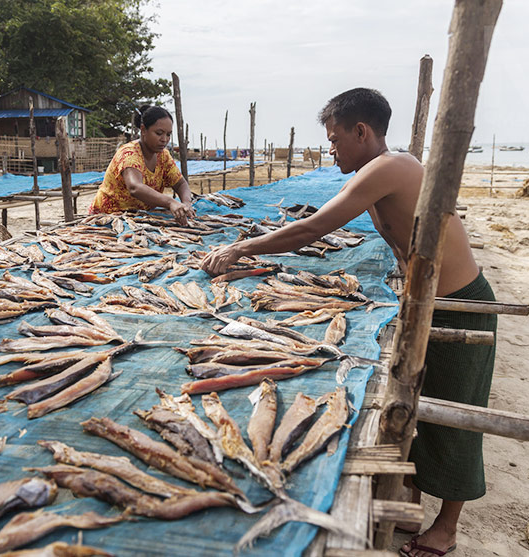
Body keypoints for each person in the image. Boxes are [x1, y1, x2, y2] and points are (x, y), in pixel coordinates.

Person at [201, 88, 496, 557]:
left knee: (457, 413)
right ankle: (414, 492)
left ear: (362, 132)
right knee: (419, 401)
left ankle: (448, 527)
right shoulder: (376, 169)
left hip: (459, 300)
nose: (330, 149)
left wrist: (241, 248)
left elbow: (313, 228)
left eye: (335, 139)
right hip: (424, 301)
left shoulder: (391, 167)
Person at [89, 105, 195, 225]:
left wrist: (186, 203)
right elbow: (135, 187)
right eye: (159, 133)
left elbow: (180, 183)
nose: (164, 139)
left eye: (168, 134)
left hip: (140, 217)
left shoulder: (163, 156)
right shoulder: (129, 154)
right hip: (108, 217)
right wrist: (170, 202)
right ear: (143, 130)